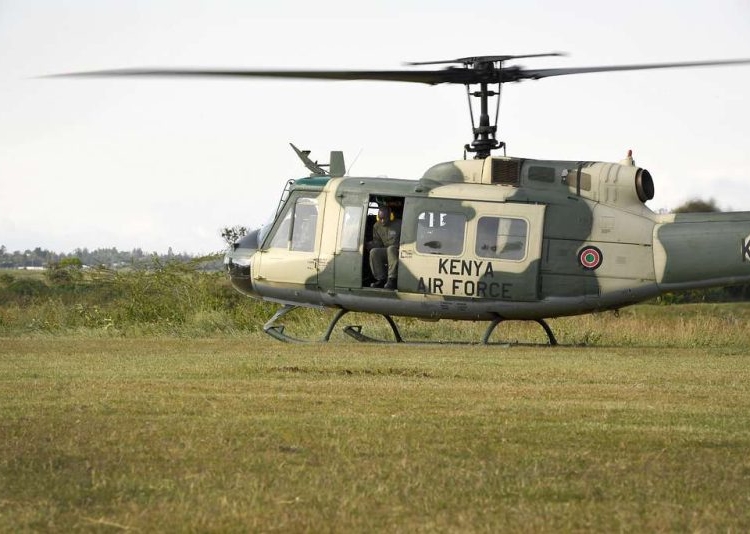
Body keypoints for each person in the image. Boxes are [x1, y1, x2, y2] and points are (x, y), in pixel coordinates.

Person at [369, 206, 401, 289]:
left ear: (390, 216)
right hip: (386, 250)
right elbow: (378, 242)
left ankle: (392, 279)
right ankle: (381, 279)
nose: (382, 221)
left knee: (391, 249)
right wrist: (371, 244)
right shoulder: (376, 226)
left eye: (385, 218)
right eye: (380, 218)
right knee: (374, 252)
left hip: (398, 250)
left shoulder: (399, 224)